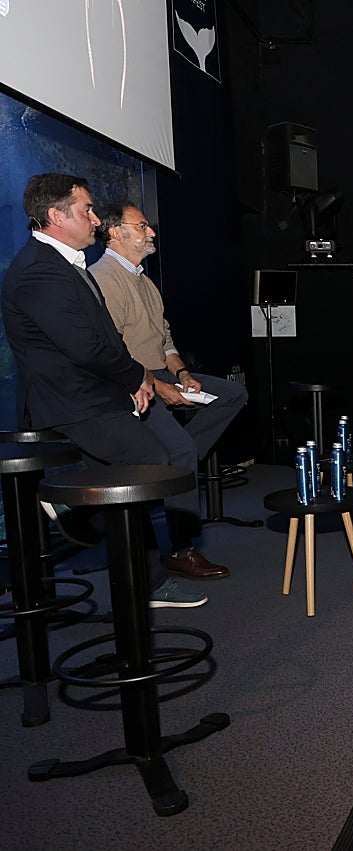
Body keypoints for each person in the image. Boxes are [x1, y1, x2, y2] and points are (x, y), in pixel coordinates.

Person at [0, 174, 207, 607]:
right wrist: (136, 378)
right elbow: (84, 345)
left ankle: (129, 568)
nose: (95, 219)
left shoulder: (65, 262)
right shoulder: (39, 270)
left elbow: (105, 339)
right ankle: (89, 523)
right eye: (86, 210)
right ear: (56, 216)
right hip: (72, 401)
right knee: (153, 459)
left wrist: (131, 381)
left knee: (126, 470)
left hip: (93, 392)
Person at [89, 201, 248, 579]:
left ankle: (171, 470)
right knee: (180, 448)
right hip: (132, 382)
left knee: (231, 395)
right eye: (142, 225)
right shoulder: (104, 278)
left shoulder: (144, 280)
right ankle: (181, 547)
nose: (151, 232)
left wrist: (183, 374)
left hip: (160, 371)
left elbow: (165, 338)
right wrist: (159, 386)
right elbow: (114, 355)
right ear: (116, 232)